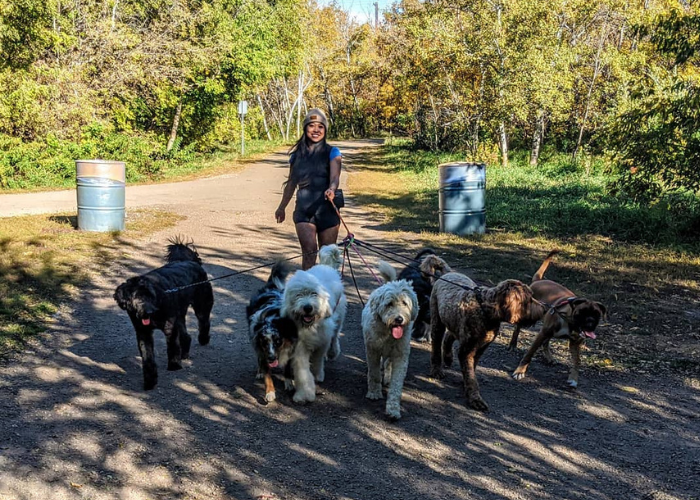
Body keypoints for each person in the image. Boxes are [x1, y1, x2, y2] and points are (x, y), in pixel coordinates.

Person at [275, 109, 342, 270]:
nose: (316, 130)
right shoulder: (296, 156)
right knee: (309, 252)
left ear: (325, 130)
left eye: (320, 126)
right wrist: (281, 207)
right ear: (305, 129)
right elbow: (291, 184)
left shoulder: (333, 152)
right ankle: (307, 292)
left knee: (328, 257)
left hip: (327, 209)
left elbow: (335, 177)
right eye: (311, 126)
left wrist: (332, 189)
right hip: (304, 211)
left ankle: (329, 293)